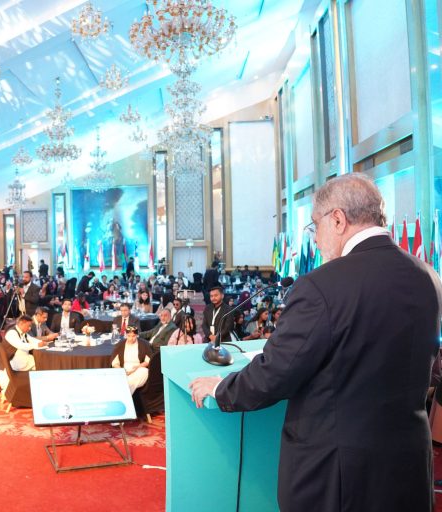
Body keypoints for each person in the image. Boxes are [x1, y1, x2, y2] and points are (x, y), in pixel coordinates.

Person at [190, 173, 442, 511]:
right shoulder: (429, 277)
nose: (315, 238)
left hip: (339, 476)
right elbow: (430, 365)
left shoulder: (322, 285)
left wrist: (221, 388)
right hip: (409, 466)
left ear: (337, 219)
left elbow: (275, 374)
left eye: (314, 225)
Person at [111, 325, 152, 394]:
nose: (131, 338)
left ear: (137, 335)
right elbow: (115, 363)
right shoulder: (120, 345)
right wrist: (122, 371)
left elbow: (148, 361)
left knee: (145, 371)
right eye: (129, 336)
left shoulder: (144, 344)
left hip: (138, 370)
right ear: (126, 335)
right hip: (123, 370)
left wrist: (137, 368)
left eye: (133, 336)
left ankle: (122, 388)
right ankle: (125, 392)